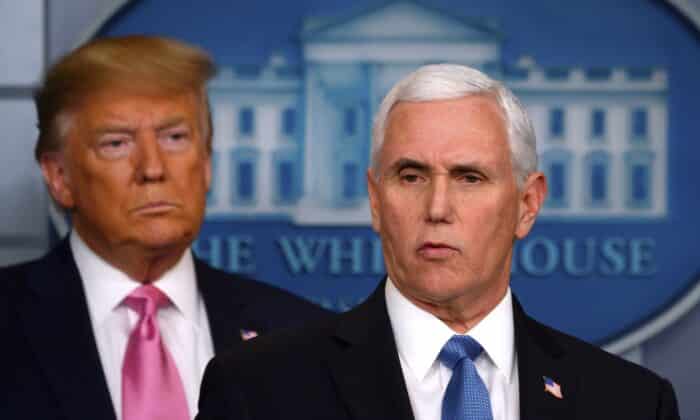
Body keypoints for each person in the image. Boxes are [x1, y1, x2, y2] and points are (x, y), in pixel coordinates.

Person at [194, 64, 680, 420]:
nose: (437, 207)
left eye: (469, 177)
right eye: (411, 176)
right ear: (376, 201)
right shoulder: (256, 390)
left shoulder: (631, 403)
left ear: (527, 205)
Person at [0, 35, 328, 420]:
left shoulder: (301, 337)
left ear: (206, 163)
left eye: (175, 138)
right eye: (117, 143)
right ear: (60, 177)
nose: (153, 168)